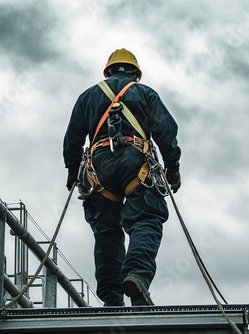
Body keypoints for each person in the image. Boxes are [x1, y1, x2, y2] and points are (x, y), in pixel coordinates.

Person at [63, 48, 181, 306]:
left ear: (108, 72)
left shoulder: (88, 97)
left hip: (98, 171)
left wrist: (73, 172)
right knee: (146, 219)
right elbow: (166, 131)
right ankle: (137, 275)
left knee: (106, 233)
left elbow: (72, 138)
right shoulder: (145, 93)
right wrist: (173, 168)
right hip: (135, 162)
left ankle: (112, 298)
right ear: (135, 74)